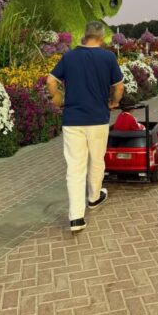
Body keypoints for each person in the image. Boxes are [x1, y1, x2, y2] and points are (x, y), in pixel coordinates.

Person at [47, 21, 124, 233]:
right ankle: (94, 197)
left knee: (75, 167)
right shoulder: (108, 57)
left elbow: (51, 81)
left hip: (73, 120)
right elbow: (119, 87)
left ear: (85, 35)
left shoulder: (69, 56)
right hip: (98, 119)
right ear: (101, 37)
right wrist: (114, 102)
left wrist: (57, 97)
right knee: (97, 161)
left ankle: (76, 218)